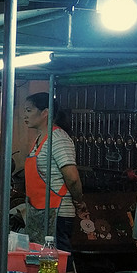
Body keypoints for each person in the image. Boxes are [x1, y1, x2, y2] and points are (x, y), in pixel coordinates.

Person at [21, 92, 88, 262]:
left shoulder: (58, 138)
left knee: (58, 264)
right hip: (41, 212)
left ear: (45, 113)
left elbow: (72, 177)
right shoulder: (40, 139)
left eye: (29, 110)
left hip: (57, 212)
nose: (25, 115)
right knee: (41, 262)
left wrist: (79, 201)